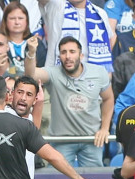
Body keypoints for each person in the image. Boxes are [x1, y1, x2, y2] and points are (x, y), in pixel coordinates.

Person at [27, 37, 114, 167]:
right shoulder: (53, 73)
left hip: (91, 139)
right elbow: (31, 75)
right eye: (63, 52)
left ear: (81, 55)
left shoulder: (99, 72)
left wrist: (104, 128)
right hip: (62, 140)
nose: (68, 56)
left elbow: (108, 99)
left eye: (72, 51)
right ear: (59, 56)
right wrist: (31, 53)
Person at [32, 0, 115, 72]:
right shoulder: (57, 4)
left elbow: (109, 41)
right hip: (57, 75)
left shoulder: (100, 13)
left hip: (89, 77)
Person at [0, 2, 32, 76]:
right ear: (5, 21)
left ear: (27, 21)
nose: (17, 22)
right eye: (12, 18)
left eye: (20, 18)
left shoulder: (35, 43)